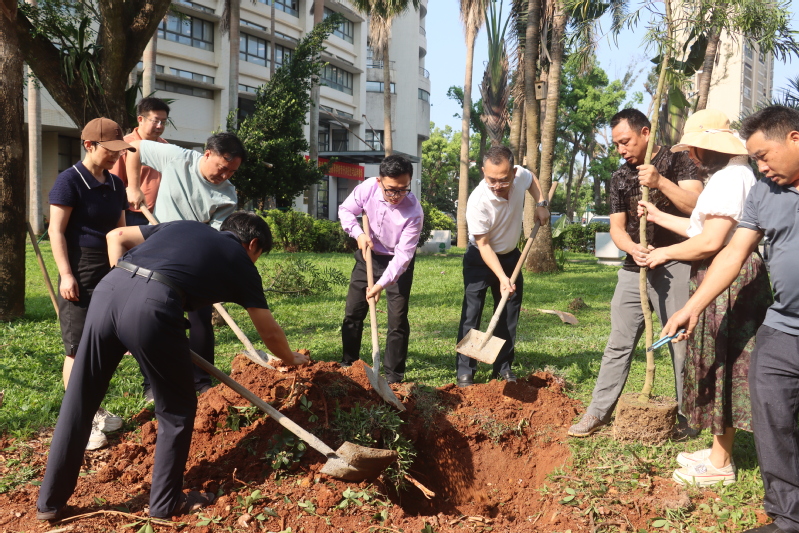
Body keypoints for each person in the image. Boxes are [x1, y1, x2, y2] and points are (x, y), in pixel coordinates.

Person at [36, 212, 310, 522]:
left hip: (108, 289)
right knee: (176, 410)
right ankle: (166, 503)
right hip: (153, 302)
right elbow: (269, 332)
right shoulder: (241, 262)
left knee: (80, 399)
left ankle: (49, 503)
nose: (256, 261)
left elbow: (117, 236)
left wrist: (126, 298)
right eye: (259, 255)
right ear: (253, 244)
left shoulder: (184, 226)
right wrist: (292, 358)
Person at [663, 105, 799, 533]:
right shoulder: (763, 192)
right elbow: (733, 254)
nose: (759, 165)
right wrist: (692, 306)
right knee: (770, 413)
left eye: (764, 155)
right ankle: (787, 517)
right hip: (783, 326)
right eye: (754, 157)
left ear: (794, 139)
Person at [638, 109, 771, 486]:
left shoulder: (731, 179)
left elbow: (713, 242)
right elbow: (702, 228)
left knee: (723, 360)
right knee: (718, 358)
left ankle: (720, 463)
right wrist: (659, 218)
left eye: (696, 149)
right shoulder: (728, 177)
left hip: (728, 280)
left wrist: (664, 253)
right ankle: (717, 450)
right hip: (720, 276)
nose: (692, 156)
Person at [568, 108, 703, 437]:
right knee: (618, 343)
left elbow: (697, 207)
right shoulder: (619, 177)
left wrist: (659, 182)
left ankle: (689, 418)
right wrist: (631, 248)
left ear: (646, 132)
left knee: (679, 343)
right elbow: (617, 229)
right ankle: (597, 413)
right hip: (634, 270)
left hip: (676, 263)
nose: (621, 149)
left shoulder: (678, 160)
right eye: (616, 144)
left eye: (625, 141)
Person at [126, 133, 247, 400]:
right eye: (222, 167)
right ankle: (152, 385)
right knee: (152, 320)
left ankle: (202, 382)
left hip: (192, 258)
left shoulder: (227, 195)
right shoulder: (177, 158)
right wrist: (133, 186)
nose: (225, 175)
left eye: (232, 172)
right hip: (155, 249)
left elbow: (217, 239)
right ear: (207, 154)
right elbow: (133, 147)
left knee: (201, 318)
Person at [48, 117, 134, 450]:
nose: (115, 156)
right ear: (89, 145)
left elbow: (121, 230)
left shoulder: (115, 185)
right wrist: (66, 274)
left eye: (119, 150)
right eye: (110, 150)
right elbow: (56, 231)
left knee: (104, 343)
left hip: (109, 268)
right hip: (80, 268)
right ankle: (80, 421)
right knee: (77, 348)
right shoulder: (69, 181)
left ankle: (94, 408)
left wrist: (124, 272)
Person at [455, 145, 549, 387]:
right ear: (484, 172)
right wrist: (502, 277)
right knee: (472, 312)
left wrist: (542, 203)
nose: (497, 185)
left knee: (508, 313)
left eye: (503, 180)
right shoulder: (478, 201)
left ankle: (503, 366)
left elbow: (532, 181)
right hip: (480, 259)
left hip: (510, 256)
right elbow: (484, 245)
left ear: (513, 172)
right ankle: (466, 370)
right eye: (491, 179)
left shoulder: (521, 177)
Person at [338, 155, 423, 384]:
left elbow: (403, 257)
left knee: (397, 319)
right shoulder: (367, 189)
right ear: (379, 181)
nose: (396, 196)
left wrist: (379, 285)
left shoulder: (414, 212)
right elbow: (345, 211)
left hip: (396, 263)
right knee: (353, 312)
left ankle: (394, 377)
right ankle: (349, 365)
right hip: (368, 255)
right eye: (390, 190)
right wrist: (359, 234)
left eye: (402, 190)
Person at [110, 97, 171, 226]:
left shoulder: (166, 147)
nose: (160, 126)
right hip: (133, 214)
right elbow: (114, 182)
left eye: (163, 122)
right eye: (155, 121)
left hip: (161, 214)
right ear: (140, 120)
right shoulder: (124, 145)